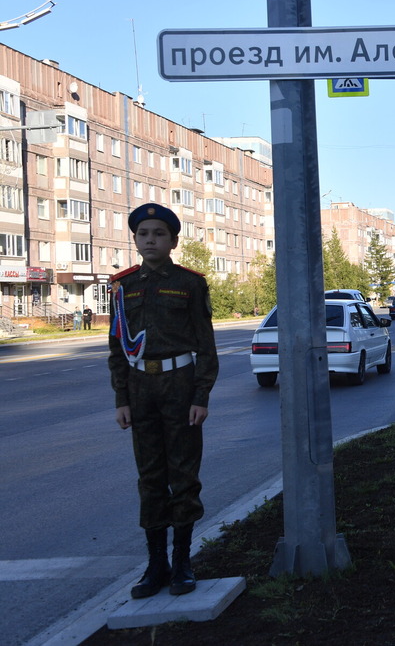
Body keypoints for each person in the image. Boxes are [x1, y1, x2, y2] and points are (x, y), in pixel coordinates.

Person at [108, 203, 219, 599]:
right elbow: (117, 347)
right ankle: (156, 565)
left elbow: (206, 346)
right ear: (135, 239)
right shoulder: (123, 286)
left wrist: (200, 395)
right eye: (143, 233)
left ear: (173, 240)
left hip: (179, 385)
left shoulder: (190, 284)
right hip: (141, 389)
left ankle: (183, 563)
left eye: (158, 233)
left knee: (183, 476)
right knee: (150, 477)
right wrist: (121, 398)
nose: (150, 240)